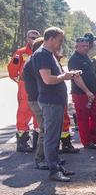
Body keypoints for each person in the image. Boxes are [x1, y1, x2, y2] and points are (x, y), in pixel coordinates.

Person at [32, 27, 76, 182]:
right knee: (51, 137)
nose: (60, 44)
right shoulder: (42, 55)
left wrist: (65, 76)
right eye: (59, 41)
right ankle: (53, 171)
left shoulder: (49, 54)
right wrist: (65, 76)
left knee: (55, 136)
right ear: (50, 39)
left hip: (54, 101)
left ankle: (56, 165)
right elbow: (48, 79)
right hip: (50, 102)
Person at [7, 29, 40, 152]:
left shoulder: (43, 51)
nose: (33, 40)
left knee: (39, 112)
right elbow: (12, 71)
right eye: (31, 37)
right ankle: (22, 142)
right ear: (27, 38)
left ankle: (38, 142)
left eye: (36, 37)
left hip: (40, 86)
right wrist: (20, 82)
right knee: (24, 112)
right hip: (25, 86)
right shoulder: (21, 53)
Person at [68, 37, 96, 149]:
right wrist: (87, 91)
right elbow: (76, 78)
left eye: (87, 46)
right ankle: (86, 141)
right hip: (81, 93)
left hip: (93, 92)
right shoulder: (74, 59)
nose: (85, 48)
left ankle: (94, 138)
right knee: (83, 118)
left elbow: (90, 74)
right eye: (83, 46)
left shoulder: (86, 57)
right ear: (76, 46)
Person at [22, 37, 47, 168]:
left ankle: (48, 158)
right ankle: (40, 159)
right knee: (45, 129)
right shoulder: (34, 62)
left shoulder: (34, 61)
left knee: (47, 128)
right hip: (37, 100)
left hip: (39, 99)